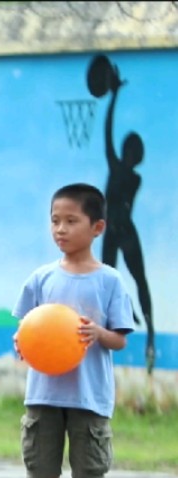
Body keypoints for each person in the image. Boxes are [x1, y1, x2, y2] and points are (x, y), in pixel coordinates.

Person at [0, 183, 134, 478]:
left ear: (97, 227)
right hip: (43, 396)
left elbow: (120, 338)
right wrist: (21, 343)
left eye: (70, 221)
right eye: (55, 220)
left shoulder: (109, 281)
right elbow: (27, 331)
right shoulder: (40, 279)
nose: (60, 229)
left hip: (89, 398)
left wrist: (97, 333)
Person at [98, 58, 154, 372]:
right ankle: (124, 315)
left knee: (139, 279)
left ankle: (150, 336)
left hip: (124, 229)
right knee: (109, 278)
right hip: (112, 229)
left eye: (135, 152)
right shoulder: (117, 165)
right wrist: (114, 97)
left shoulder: (132, 176)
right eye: (128, 150)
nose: (130, 154)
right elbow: (107, 133)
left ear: (137, 156)